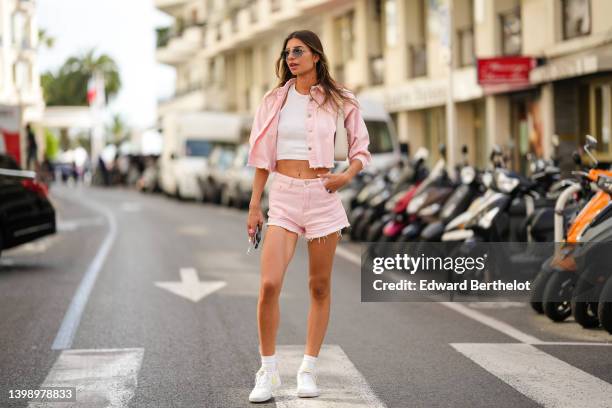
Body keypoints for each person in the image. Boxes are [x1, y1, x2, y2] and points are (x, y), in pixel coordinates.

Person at [245, 30, 371, 403]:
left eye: (298, 51)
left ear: (316, 55)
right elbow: (261, 158)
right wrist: (255, 204)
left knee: (319, 286)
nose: (291, 58)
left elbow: (361, 149)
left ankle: (308, 368)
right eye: (286, 53)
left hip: (322, 196)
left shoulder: (341, 99)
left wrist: (346, 175)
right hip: (282, 196)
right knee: (269, 284)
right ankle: (267, 371)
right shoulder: (274, 100)